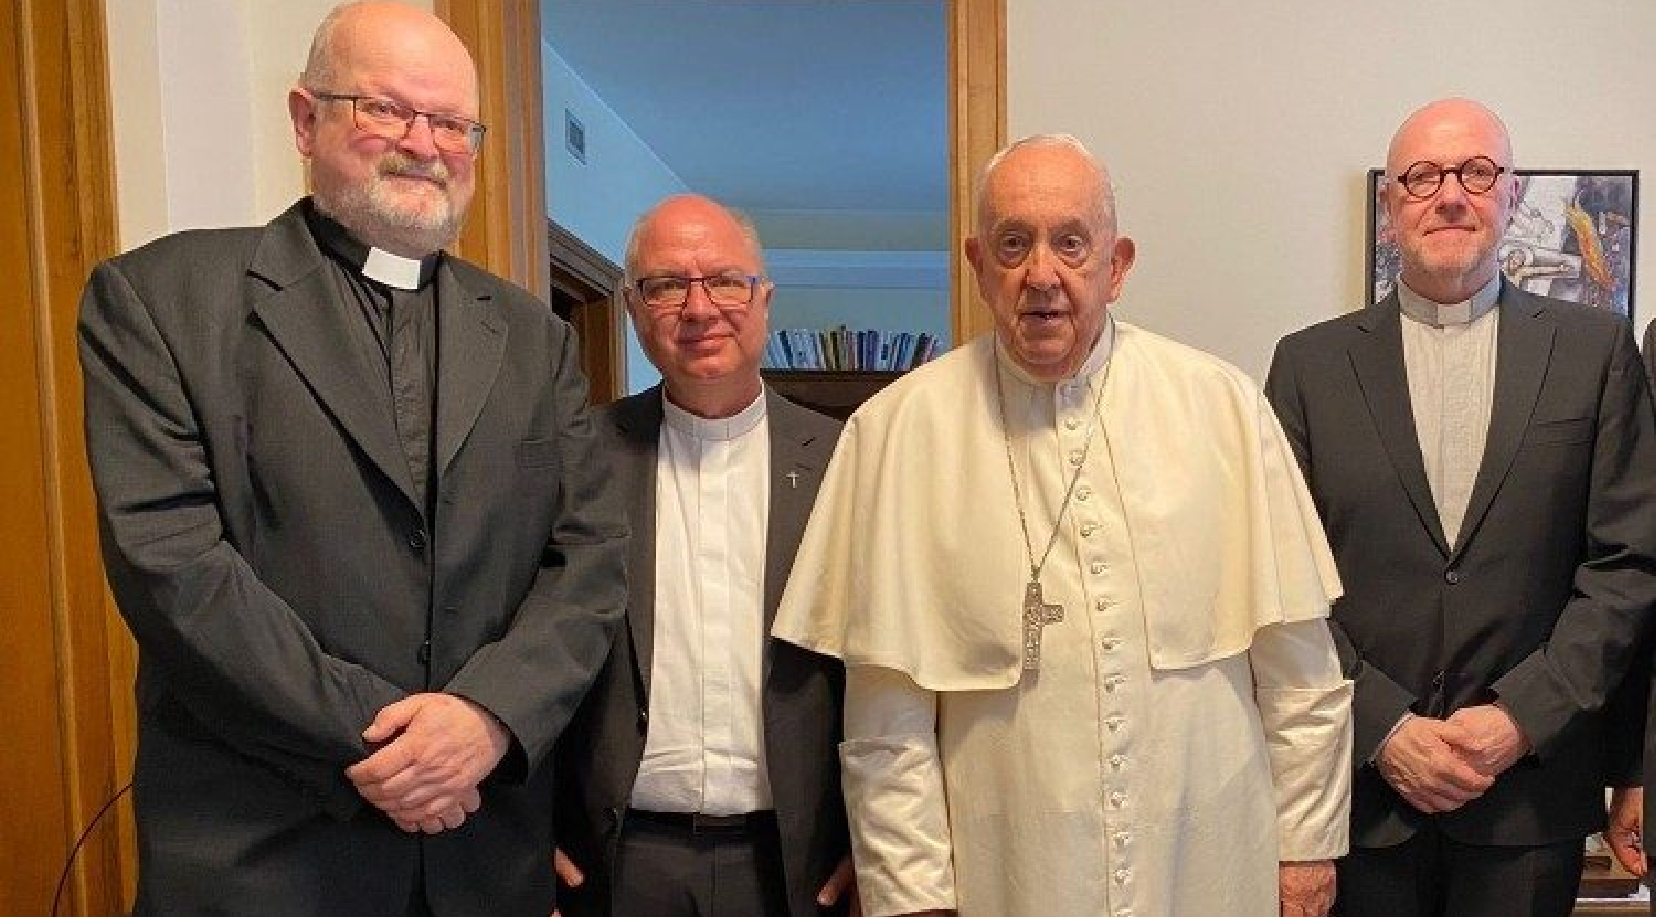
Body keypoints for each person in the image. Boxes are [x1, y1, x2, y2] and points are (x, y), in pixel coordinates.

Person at [77, 3, 627, 915]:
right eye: (386, 109)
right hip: (265, 858)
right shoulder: (160, 300)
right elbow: (174, 568)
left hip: (483, 856)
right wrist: (394, 746)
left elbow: (588, 561)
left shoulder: (536, 338)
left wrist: (488, 718)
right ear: (305, 119)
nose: (423, 144)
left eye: (450, 123)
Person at [771, 134, 1353, 917]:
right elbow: (885, 720)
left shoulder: (1222, 406)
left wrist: (1306, 851)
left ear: (1117, 264)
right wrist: (911, 896)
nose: (1040, 273)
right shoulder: (897, 431)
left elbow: (1298, 671)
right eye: (1013, 244)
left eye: (1070, 243)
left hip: (1207, 863)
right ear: (978, 264)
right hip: (1010, 876)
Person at [1266, 98, 1655, 917]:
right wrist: (1382, 724)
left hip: (1527, 799)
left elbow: (1626, 565)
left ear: (1510, 195)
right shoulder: (1306, 366)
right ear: (1389, 207)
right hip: (1359, 799)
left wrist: (1521, 716)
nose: (1449, 194)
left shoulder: (1593, 353)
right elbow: (1279, 581)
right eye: (1422, 176)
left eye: (1476, 173)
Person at [550, 195, 855, 917]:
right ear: (632, 307)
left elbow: (885, 662)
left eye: (724, 281)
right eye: (666, 285)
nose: (698, 308)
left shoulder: (845, 461)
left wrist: (878, 844)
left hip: (795, 866)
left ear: (764, 298)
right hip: (618, 863)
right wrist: (522, 832)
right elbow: (520, 641)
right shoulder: (576, 456)